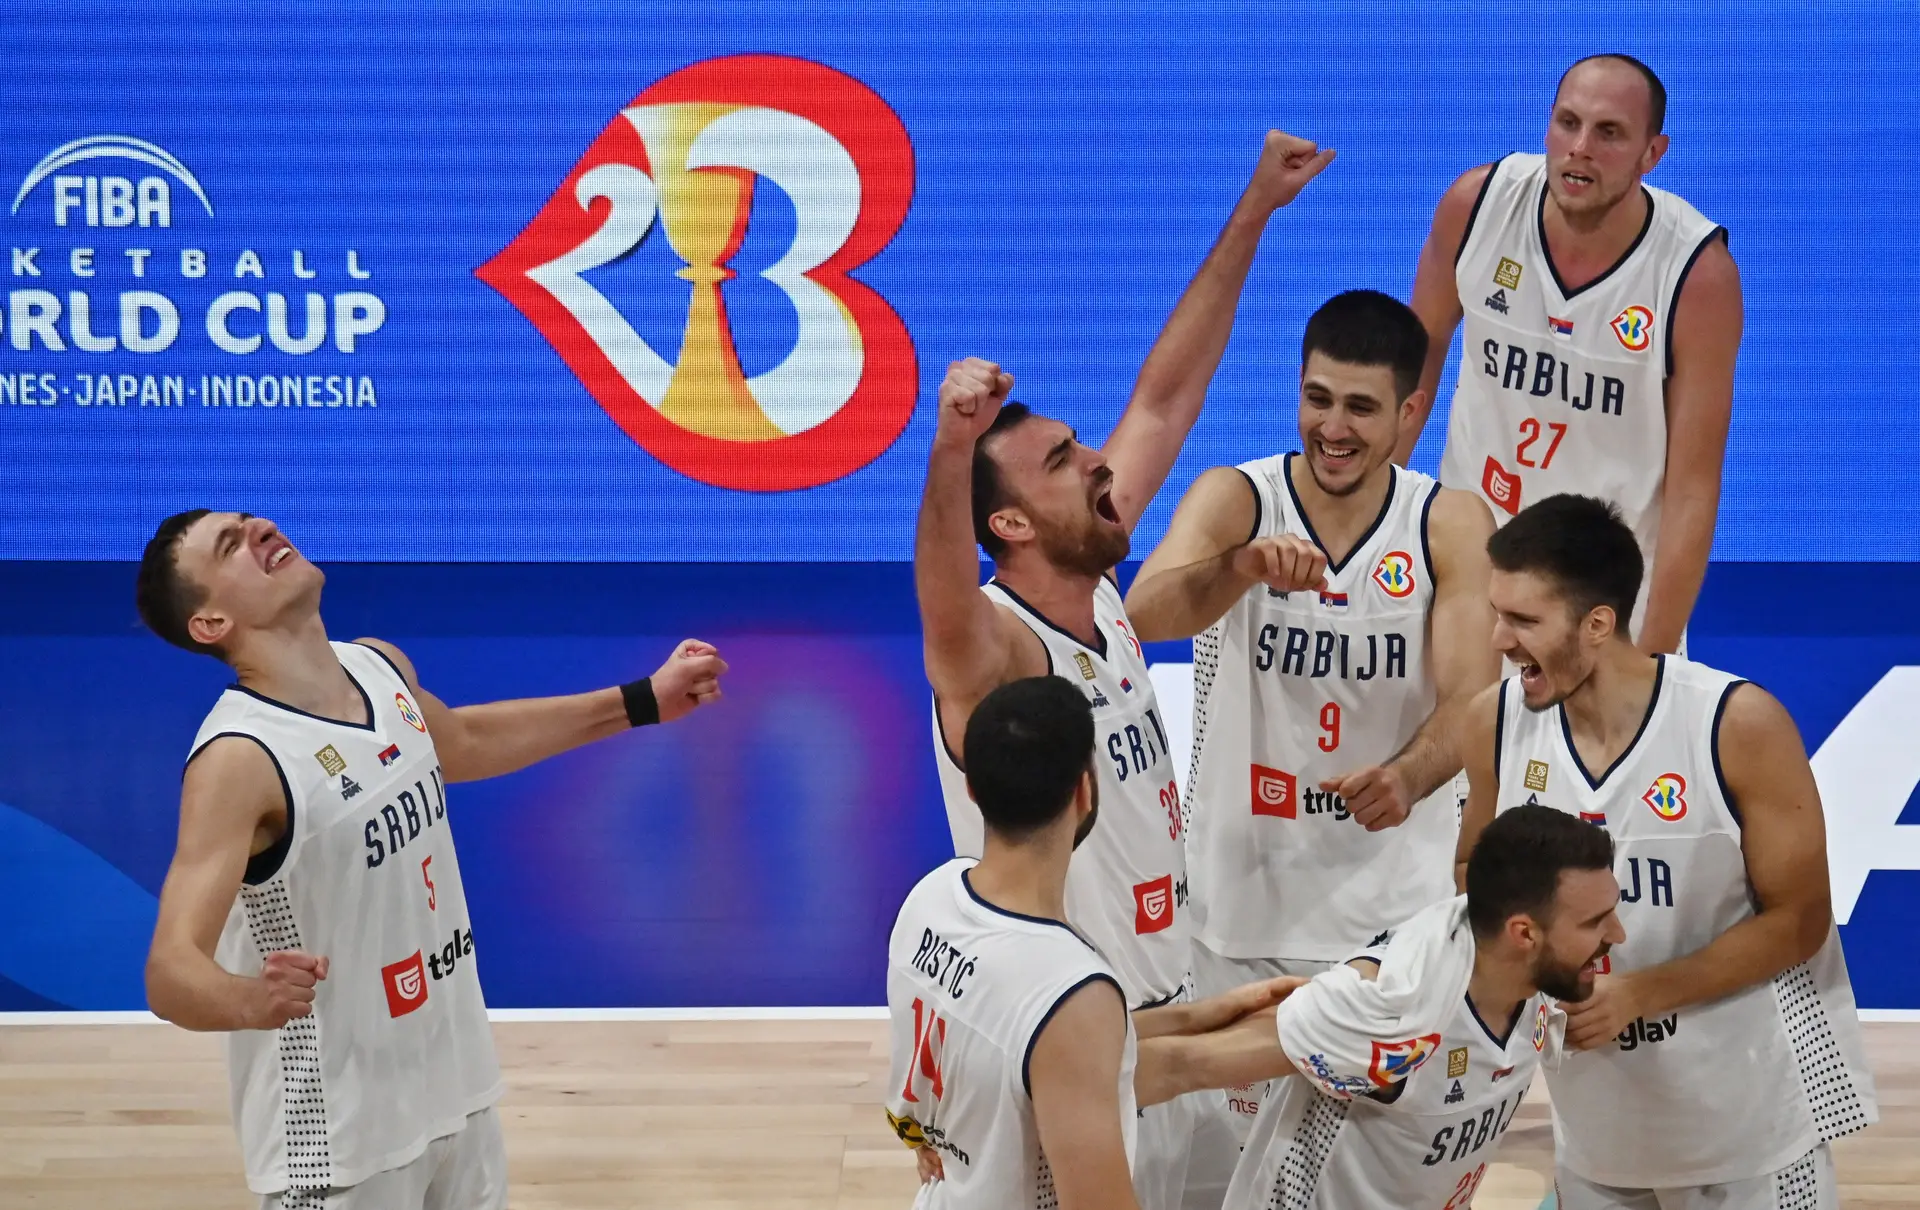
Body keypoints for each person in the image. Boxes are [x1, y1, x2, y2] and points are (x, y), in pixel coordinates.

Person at [916, 129, 1334, 1210]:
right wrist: (950, 444)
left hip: (1176, 996)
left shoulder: (1097, 580)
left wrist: (1253, 213)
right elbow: (941, 601)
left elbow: (1164, 397)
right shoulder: (999, 649)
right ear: (1008, 521)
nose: (1097, 459)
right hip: (1079, 1030)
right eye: (1062, 461)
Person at [136, 509, 727, 1210]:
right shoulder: (238, 760)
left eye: (248, 521)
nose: (259, 530)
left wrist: (640, 702)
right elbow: (170, 973)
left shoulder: (377, 664)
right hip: (340, 1142)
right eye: (230, 546)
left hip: (455, 1092)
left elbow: (464, 742)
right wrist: (249, 998)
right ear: (209, 625)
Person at [1125, 288, 1497, 1207]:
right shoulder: (1238, 496)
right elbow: (1142, 616)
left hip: (1390, 919)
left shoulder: (1448, 522)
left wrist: (1411, 774)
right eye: (1318, 398)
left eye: (1361, 407)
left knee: (1362, 1191)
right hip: (1239, 906)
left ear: (1411, 411)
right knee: (1209, 1185)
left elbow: (1474, 699)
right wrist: (1242, 565)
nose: (1333, 427)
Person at [1454, 494, 1877, 1209]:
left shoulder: (1735, 723)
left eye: (1524, 620)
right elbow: (1473, 875)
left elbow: (1800, 922)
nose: (1499, 639)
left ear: (1597, 625)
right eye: (1498, 613)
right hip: (1596, 1135)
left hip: (1748, 1135)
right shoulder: (1492, 723)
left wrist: (1640, 994)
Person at [887, 677, 1311, 1210]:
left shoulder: (929, 900)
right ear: (1085, 791)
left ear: (973, 789)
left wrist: (1201, 1015)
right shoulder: (1069, 988)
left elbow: (1029, 1047)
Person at [1401, 53, 1741, 654]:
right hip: (1469, 576)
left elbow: (1693, 488)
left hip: (1601, 599)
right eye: (1567, 122)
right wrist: (1369, 533)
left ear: (1652, 153)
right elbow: (1407, 377)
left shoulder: (1696, 274)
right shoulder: (1477, 206)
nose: (1580, 147)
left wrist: (1654, 660)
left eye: (1609, 132)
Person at [1197, 803, 1623, 1208]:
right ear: (1525, 934)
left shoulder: (1532, 985)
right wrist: (1142, 1019)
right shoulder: (1392, 1013)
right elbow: (1171, 1066)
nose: (1618, 934)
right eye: (1594, 922)